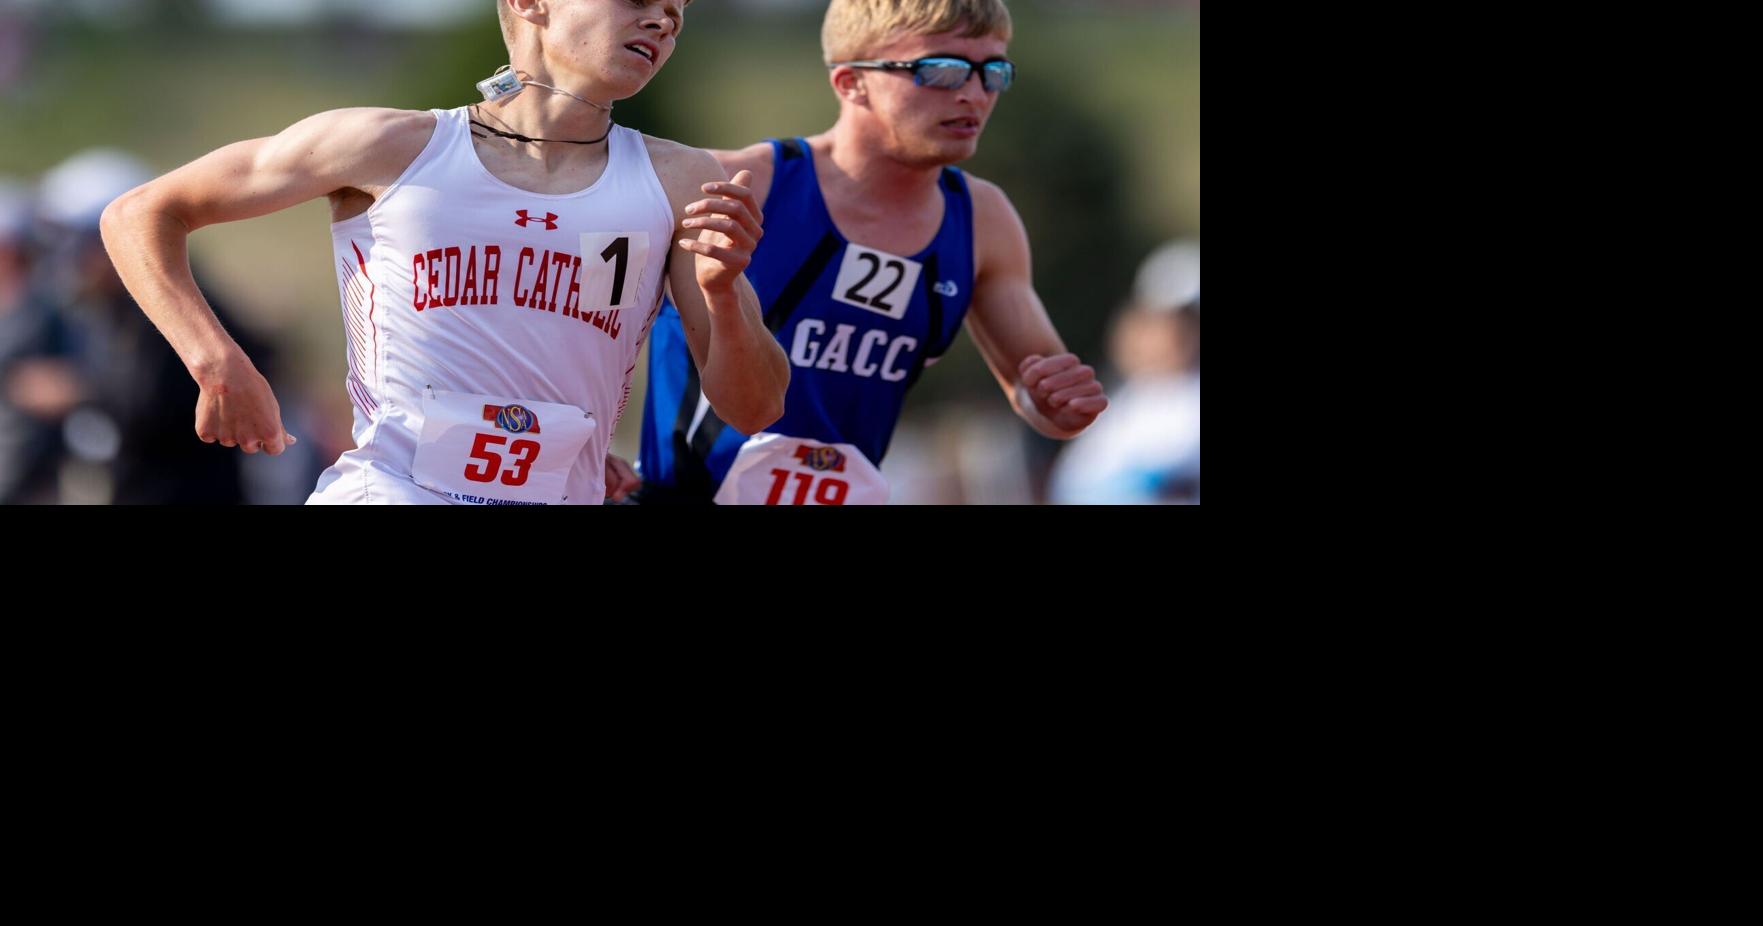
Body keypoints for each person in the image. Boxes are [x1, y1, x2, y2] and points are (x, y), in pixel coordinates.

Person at [100, 0, 788, 505]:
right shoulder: (386, 146)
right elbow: (140, 213)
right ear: (529, 4)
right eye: (637, 0)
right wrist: (217, 362)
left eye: (676, 11)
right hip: (390, 491)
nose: (663, 21)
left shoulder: (681, 179)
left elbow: (755, 409)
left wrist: (724, 297)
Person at [636, 0, 1107, 505]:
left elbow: (1035, 393)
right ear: (850, 82)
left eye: (993, 71)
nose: (974, 93)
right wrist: (594, 453)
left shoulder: (983, 219)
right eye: (941, 70)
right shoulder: (735, 183)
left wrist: (1059, 409)